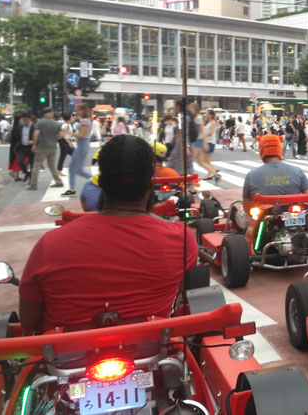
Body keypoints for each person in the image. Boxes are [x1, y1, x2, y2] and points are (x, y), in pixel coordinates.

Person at [18, 135, 198, 334]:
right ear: (149, 184)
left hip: (66, 356)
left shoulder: (49, 244)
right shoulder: (181, 238)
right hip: (152, 349)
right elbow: (180, 293)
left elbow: (30, 321)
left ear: (101, 183)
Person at [241, 134, 308, 250]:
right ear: (279, 148)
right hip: (294, 216)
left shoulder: (251, 175)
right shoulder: (297, 171)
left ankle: (248, 243)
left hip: (265, 221)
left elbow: (245, 208)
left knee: (239, 213)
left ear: (262, 150)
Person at [27, 108, 65, 191]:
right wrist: (54, 139)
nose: (53, 113)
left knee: (36, 165)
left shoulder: (40, 122)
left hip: (42, 147)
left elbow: (36, 133)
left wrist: (34, 145)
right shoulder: (56, 123)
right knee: (52, 165)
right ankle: (58, 182)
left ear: (44, 114)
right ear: (49, 113)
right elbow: (61, 135)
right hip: (53, 147)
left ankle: (33, 185)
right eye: (52, 112)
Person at [61, 103, 93, 196]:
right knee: (74, 169)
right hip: (81, 145)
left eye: (77, 109)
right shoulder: (84, 120)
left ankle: (97, 181)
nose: (76, 111)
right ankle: (72, 189)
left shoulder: (85, 121)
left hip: (83, 144)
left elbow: (81, 135)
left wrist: (68, 132)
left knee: (76, 169)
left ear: (82, 111)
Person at [201, 110, 220, 182]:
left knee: (205, 161)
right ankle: (212, 172)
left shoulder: (212, 123)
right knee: (206, 161)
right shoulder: (208, 122)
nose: (206, 115)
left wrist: (203, 136)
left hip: (210, 142)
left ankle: (212, 174)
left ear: (211, 115)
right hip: (208, 142)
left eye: (207, 113)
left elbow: (211, 133)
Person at [16, 112, 35, 182]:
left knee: (32, 164)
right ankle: (27, 173)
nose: (25, 121)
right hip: (22, 147)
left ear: (30, 119)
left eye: (26, 120)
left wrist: (34, 142)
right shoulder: (20, 127)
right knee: (20, 161)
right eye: (23, 120)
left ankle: (31, 179)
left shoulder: (34, 126)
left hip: (31, 147)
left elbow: (39, 137)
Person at [57, 112, 74, 177]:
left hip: (68, 142)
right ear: (69, 117)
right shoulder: (65, 125)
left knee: (74, 154)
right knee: (62, 156)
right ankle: (59, 171)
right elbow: (64, 135)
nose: (72, 117)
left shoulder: (69, 124)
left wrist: (71, 141)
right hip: (65, 143)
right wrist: (69, 143)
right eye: (71, 116)